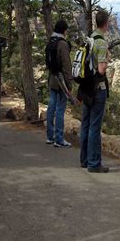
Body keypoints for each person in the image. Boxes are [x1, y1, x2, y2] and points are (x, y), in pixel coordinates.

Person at [79, 10, 110, 173]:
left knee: (85, 123)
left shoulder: (90, 38)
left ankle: (84, 160)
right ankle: (94, 163)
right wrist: (107, 59)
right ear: (106, 23)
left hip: (86, 88)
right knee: (94, 127)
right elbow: (101, 69)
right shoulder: (101, 43)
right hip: (97, 89)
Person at [46, 20, 73, 148]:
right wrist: (69, 84)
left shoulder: (51, 41)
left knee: (51, 106)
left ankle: (50, 136)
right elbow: (67, 65)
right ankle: (60, 139)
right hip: (61, 81)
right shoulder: (62, 44)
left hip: (52, 78)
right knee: (60, 109)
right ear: (64, 30)